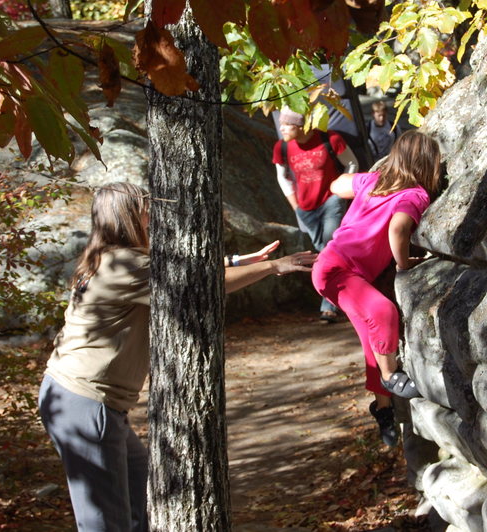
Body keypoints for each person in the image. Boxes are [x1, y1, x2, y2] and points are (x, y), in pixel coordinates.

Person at [38, 182, 317, 532]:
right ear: (127, 218)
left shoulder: (106, 256)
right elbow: (195, 283)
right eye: (144, 209)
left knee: (139, 494)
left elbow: (175, 269)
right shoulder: (122, 264)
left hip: (80, 398)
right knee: (104, 523)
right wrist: (275, 267)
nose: (151, 216)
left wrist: (233, 261)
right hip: (85, 401)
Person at [311, 131, 440, 448]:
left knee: (373, 341)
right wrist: (404, 263)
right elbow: (398, 228)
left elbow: (337, 186)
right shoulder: (415, 194)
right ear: (427, 165)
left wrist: (357, 179)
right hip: (338, 270)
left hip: (333, 267)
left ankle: (382, 411)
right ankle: (390, 378)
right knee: (382, 312)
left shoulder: (375, 181)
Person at [272, 107, 359, 323]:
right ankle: (345, 295)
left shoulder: (330, 138)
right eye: (281, 123)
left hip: (332, 201)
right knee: (322, 251)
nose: (281, 128)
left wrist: (341, 191)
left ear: (300, 126)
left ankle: (328, 306)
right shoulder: (282, 146)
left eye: (286, 124)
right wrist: (295, 206)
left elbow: (352, 163)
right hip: (305, 208)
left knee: (328, 248)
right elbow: (282, 177)